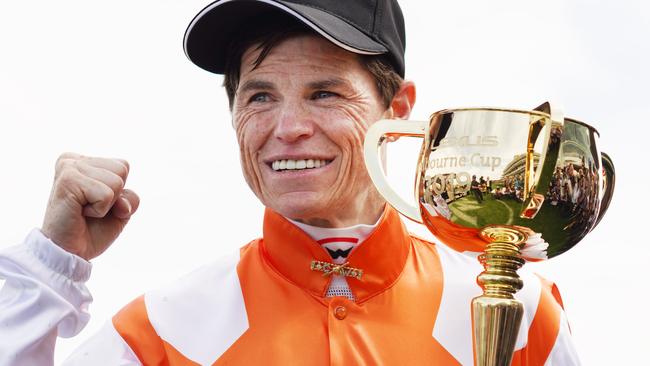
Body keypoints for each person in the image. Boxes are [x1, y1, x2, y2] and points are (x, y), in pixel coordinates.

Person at [0, 0, 579, 365]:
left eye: (324, 93)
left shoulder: (519, 312)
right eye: (259, 97)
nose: (289, 129)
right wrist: (50, 266)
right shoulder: (160, 331)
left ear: (398, 110)